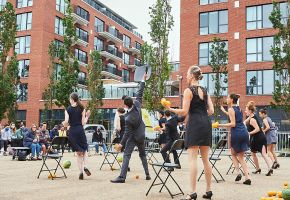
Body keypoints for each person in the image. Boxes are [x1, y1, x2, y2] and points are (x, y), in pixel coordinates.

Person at [165, 66, 214, 200]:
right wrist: (202, 112)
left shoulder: (188, 90)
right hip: (206, 124)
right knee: (206, 159)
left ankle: (192, 192)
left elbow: (185, 112)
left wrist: (171, 109)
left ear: (192, 75)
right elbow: (211, 111)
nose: (186, 76)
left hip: (195, 124)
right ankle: (208, 191)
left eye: (187, 74)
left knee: (192, 158)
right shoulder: (205, 90)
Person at [111, 73, 151, 183]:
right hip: (141, 135)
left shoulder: (128, 118)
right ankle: (147, 174)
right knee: (142, 155)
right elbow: (140, 92)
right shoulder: (137, 104)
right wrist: (143, 80)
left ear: (126, 105)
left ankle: (122, 177)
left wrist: (121, 144)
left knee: (127, 155)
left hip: (133, 137)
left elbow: (127, 133)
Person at [218, 94, 251, 185]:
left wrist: (220, 125)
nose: (227, 99)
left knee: (233, 154)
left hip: (237, 133)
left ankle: (238, 172)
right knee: (241, 157)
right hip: (244, 132)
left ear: (232, 100)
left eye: (228, 98)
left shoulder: (231, 109)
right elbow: (233, 115)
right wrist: (224, 111)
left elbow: (233, 124)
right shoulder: (239, 109)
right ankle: (247, 177)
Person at [63, 92, 91, 180]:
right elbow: (83, 122)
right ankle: (85, 166)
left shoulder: (67, 109)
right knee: (85, 149)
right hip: (80, 130)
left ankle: (81, 172)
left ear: (72, 99)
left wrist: (64, 124)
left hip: (72, 132)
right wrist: (87, 116)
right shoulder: (82, 108)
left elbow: (66, 123)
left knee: (78, 153)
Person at [244, 101, 273, 176]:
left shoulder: (252, 119)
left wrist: (249, 133)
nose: (245, 111)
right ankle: (265, 168)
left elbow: (257, 129)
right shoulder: (252, 116)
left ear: (250, 111)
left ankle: (261, 168)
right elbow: (244, 122)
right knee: (260, 154)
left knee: (255, 154)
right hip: (261, 137)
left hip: (257, 138)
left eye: (246, 110)